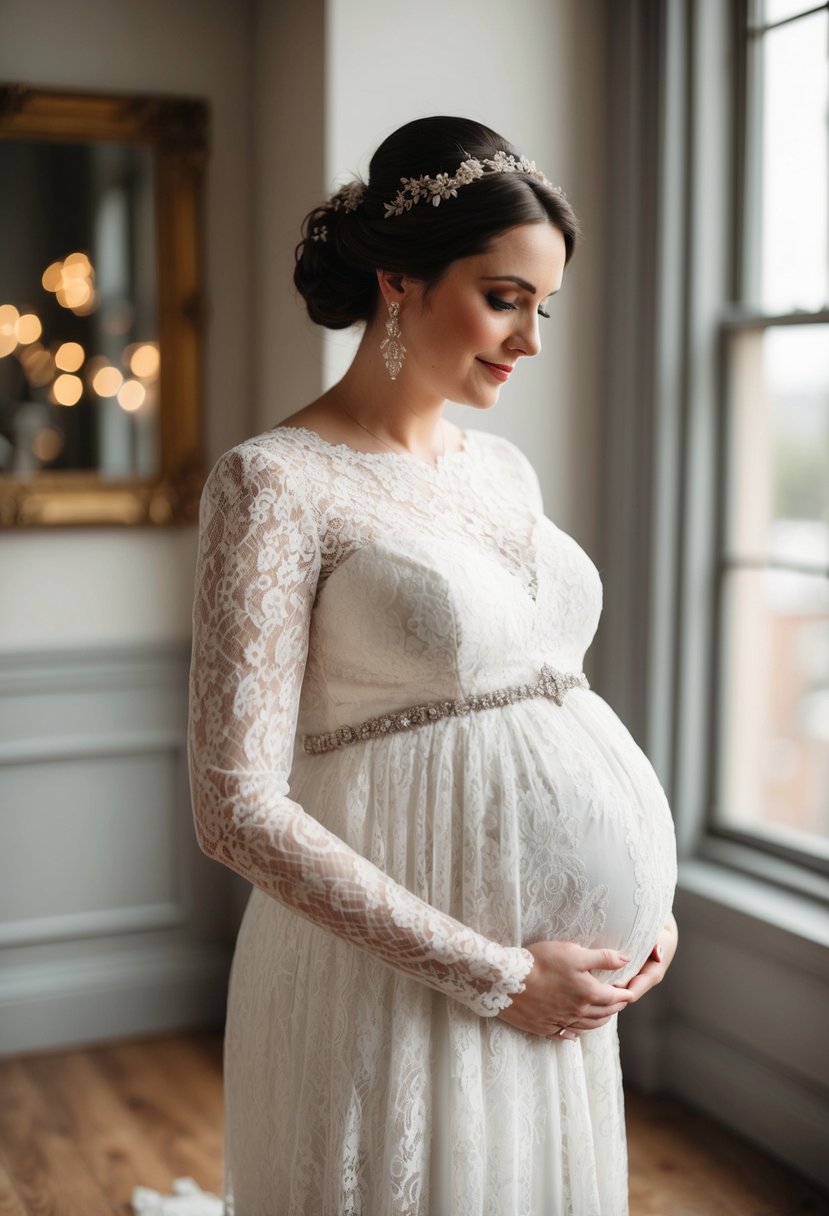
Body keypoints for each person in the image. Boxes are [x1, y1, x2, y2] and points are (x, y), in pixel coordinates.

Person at [186, 116, 678, 1216]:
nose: (530, 341)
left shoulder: (504, 469)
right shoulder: (273, 484)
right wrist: (496, 975)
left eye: (543, 307)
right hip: (398, 983)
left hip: (563, 993)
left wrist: (647, 905)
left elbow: (559, 691)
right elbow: (232, 808)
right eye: (504, 298)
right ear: (398, 279)